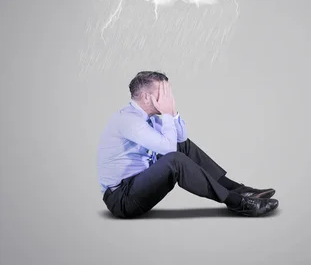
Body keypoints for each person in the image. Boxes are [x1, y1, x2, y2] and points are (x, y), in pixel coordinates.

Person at [97, 70, 279, 218]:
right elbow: (169, 150)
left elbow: (181, 139)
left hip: (136, 185)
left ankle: (241, 191)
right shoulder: (128, 120)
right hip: (122, 199)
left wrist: (172, 112)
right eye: (163, 93)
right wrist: (167, 114)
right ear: (146, 97)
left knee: (183, 147)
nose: (168, 98)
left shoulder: (149, 118)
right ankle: (237, 203)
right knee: (174, 160)